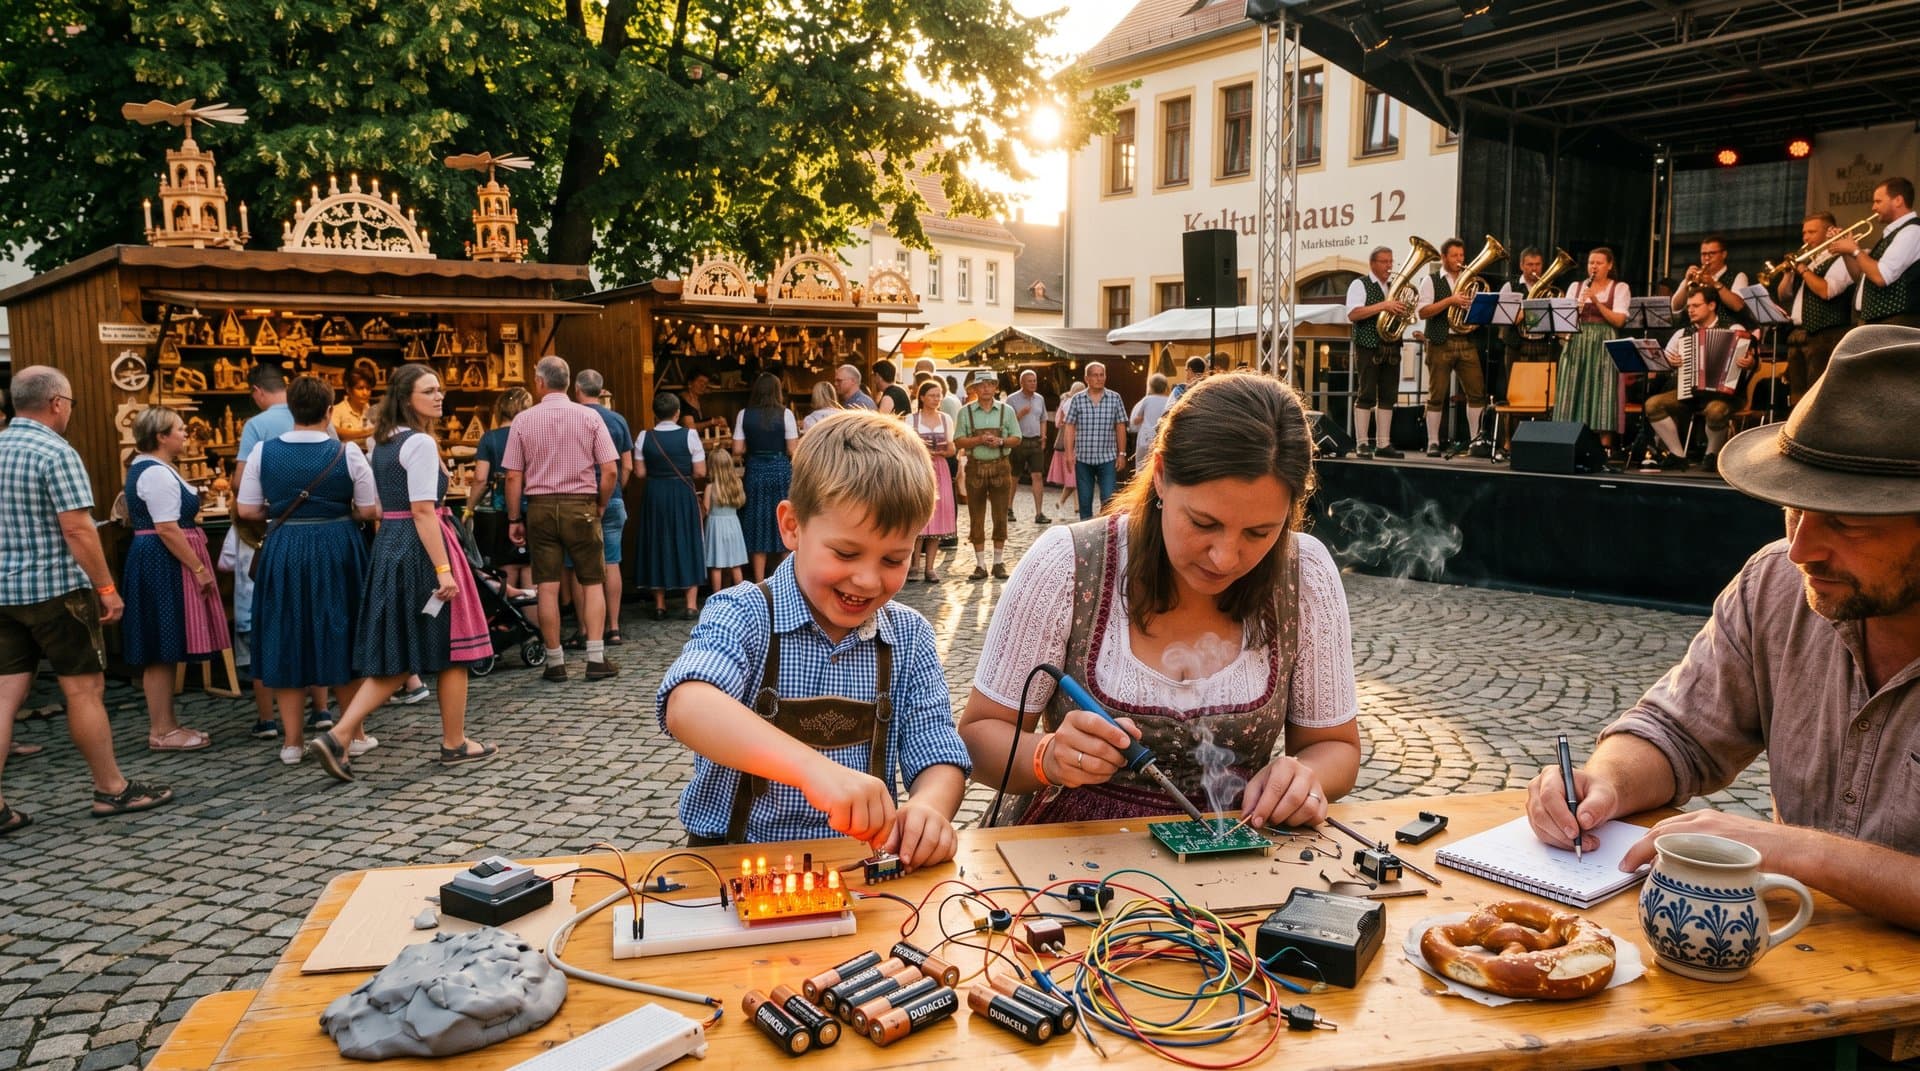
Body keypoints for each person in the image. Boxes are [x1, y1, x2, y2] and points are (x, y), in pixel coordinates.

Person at [1526, 325, 1920, 931]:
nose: (1800, 549)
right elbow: (1680, 731)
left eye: (1845, 522)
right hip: (1808, 979)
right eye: (1793, 508)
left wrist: (1808, 853)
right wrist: (1605, 780)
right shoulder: (1778, 586)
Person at [957, 373, 1362, 825]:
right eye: (1204, 523)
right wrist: (1047, 756)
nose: (1225, 558)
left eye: (1259, 532)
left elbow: (1336, 747)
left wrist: (1305, 775)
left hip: (1239, 851)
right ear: (1163, 476)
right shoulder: (1066, 564)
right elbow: (978, 736)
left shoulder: (1303, 574)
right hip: (1072, 859)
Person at [657, 411, 970, 860]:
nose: (866, 580)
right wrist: (811, 770)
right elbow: (687, 706)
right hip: (729, 863)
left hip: (857, 871)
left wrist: (927, 808)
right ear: (792, 526)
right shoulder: (744, 613)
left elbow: (939, 752)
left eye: (893, 560)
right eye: (846, 552)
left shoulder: (910, 637)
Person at [0, 367, 173, 829]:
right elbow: (76, 528)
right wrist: (106, 588)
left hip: (3, 591)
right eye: (71, 403)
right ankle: (111, 789)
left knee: (3, 695)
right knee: (83, 689)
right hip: (56, 590)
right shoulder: (56, 452)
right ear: (57, 402)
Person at [308, 364, 497, 779]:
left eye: (440, 389)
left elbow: (382, 508)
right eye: (429, 391)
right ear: (406, 398)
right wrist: (444, 569)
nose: (439, 396)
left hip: (392, 543)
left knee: (399, 654)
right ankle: (453, 742)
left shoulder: (382, 444)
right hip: (422, 546)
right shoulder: (420, 445)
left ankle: (339, 735)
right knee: (451, 649)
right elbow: (423, 511)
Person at [237, 376, 378, 764]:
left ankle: (292, 743)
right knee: (342, 633)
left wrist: (280, 511)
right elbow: (369, 510)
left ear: (290, 411)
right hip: (337, 547)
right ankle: (354, 734)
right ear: (329, 411)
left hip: (285, 548)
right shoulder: (347, 453)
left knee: (287, 635)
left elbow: (246, 510)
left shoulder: (263, 452)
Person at [503, 356, 619, 682]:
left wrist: (514, 518)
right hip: (580, 505)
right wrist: (599, 504)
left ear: (539, 382)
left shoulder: (523, 421)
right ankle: (596, 658)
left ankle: (554, 662)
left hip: (539, 508)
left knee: (548, 587)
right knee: (592, 580)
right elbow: (610, 470)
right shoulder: (590, 418)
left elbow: (513, 476)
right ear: (569, 382)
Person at [120, 405, 227, 752]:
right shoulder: (154, 473)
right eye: (179, 429)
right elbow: (166, 528)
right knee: (161, 646)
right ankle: (162, 731)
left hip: (160, 559)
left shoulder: (154, 468)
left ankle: (167, 725)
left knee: (165, 646)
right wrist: (198, 568)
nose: (185, 434)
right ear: (162, 436)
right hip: (162, 562)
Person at [1640, 287, 1753, 471]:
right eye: (1688, 306)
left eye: (1696, 305)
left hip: (1726, 395)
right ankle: (1678, 455)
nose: (1690, 310)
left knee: (1715, 410)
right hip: (1690, 393)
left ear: (1711, 305)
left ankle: (1712, 455)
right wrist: (1670, 362)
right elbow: (1663, 362)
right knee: (1653, 405)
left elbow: (1751, 362)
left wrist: (1749, 362)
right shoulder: (1682, 334)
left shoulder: (1734, 329)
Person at [1413, 237, 1491, 458]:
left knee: (1476, 392)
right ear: (1444, 257)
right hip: (1440, 341)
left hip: (1466, 340)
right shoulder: (1431, 281)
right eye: (1455, 256)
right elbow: (1423, 312)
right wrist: (1451, 301)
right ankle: (1433, 442)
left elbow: (1480, 312)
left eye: (1462, 256)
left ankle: (1475, 440)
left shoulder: (1471, 281)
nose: (1460, 260)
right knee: (1437, 394)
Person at [572, 370, 632, 646]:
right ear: (602, 390)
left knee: (579, 566)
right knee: (612, 562)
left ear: (577, 389)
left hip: (581, 498)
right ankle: (614, 627)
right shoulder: (617, 419)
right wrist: (617, 489)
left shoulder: (573, 417)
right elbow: (627, 465)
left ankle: (585, 628)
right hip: (614, 496)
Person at [636, 392, 707, 621]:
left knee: (656, 541)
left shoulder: (644, 437)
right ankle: (690, 604)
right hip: (681, 492)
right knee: (687, 540)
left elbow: (640, 473)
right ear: (677, 413)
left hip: (655, 493)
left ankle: (659, 605)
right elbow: (700, 472)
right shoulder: (690, 435)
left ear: (655, 414)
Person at [1554, 247, 1632, 454]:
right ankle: (1568, 440)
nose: (1594, 267)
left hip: (1604, 340)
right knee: (1572, 387)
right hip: (1578, 340)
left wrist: (1596, 302)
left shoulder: (1620, 288)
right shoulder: (1575, 287)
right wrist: (1575, 310)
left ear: (1610, 265)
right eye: (1591, 263)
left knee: (1603, 389)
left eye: (1598, 263)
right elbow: (1564, 319)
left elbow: (1619, 321)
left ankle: (1604, 445)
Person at [1775, 213, 1855, 405]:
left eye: (1812, 232)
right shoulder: (1810, 261)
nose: (1806, 238)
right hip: (1800, 335)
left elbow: (1826, 291)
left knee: (1818, 397)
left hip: (1826, 335)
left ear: (1829, 232)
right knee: (1797, 398)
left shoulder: (1839, 259)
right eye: (1804, 233)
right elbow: (1783, 295)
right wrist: (1788, 275)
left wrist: (1802, 269)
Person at [468, 388, 534, 601]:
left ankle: (511, 626)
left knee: (507, 568)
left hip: (502, 509)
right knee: (532, 568)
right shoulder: (532, 434)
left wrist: (469, 508)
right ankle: (536, 628)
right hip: (534, 506)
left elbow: (480, 478)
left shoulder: (490, 438)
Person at [1346, 245, 1410, 459]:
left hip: (1391, 345)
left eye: (1391, 261)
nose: (1389, 266)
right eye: (1384, 261)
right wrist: (1384, 306)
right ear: (1373, 263)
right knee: (1365, 394)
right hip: (1368, 346)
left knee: (1388, 395)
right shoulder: (1360, 284)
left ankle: (1383, 444)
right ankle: (1362, 443)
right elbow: (1354, 314)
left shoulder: (1394, 286)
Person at [956, 371, 1021, 580]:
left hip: (1001, 466)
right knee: (976, 515)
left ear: (996, 387)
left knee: (1000, 515)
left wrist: (1001, 441)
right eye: (981, 385)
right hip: (975, 467)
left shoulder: (1006, 410)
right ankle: (980, 564)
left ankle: (998, 562)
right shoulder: (965, 412)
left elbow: (1017, 438)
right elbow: (958, 440)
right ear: (974, 389)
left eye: (990, 384)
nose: (986, 388)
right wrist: (979, 440)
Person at [1831, 176, 1920, 328]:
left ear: (1898, 200)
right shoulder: (1895, 232)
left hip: (1895, 321)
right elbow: (1861, 276)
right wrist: (1846, 251)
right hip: (1877, 320)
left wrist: (1855, 250)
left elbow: (1881, 277)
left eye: (1878, 201)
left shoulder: (1912, 231)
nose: (1873, 207)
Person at [732, 373, 797, 582]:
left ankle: (759, 581)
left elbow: (737, 449)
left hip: (755, 470)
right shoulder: (785, 414)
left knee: (757, 524)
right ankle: (784, 579)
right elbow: (792, 449)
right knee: (783, 521)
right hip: (779, 469)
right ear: (777, 390)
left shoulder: (744, 414)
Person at [1062, 362, 1127, 520]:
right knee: (1084, 502)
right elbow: (1069, 427)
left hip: (1107, 458)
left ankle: (1107, 534)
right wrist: (1069, 453)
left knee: (1109, 500)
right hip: (1083, 459)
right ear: (1087, 378)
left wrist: (1122, 453)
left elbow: (1120, 426)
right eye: (1095, 375)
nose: (1099, 378)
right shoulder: (1077, 399)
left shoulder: (1114, 398)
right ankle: (1086, 536)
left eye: (1102, 375)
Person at [909, 379, 956, 582]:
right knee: (919, 514)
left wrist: (945, 450)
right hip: (919, 467)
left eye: (939, 395)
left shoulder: (946, 419)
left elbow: (953, 447)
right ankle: (914, 566)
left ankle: (930, 567)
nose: (936, 399)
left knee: (937, 516)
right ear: (922, 397)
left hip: (940, 467)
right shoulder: (911, 420)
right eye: (932, 395)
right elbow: (905, 445)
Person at [1499, 246, 1560, 390]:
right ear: (1521, 266)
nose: (1534, 268)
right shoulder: (1510, 286)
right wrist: (1525, 311)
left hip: (1544, 344)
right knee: (1517, 389)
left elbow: (1557, 319)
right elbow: (1503, 318)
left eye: (1538, 264)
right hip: (1517, 345)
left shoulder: (1550, 288)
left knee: (1542, 390)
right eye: (1530, 264)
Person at [1670, 233, 1751, 320]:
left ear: (1724, 254)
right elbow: (1675, 307)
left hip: (1725, 328)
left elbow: (1738, 306)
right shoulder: (1694, 276)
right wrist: (1686, 282)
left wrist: (1714, 283)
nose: (1707, 258)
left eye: (1712, 253)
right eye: (1703, 254)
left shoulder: (1739, 276)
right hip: (1694, 329)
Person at [1007, 370, 1051, 524]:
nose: (1033, 383)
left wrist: (1043, 436)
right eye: (1030, 381)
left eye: (1035, 380)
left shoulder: (1040, 399)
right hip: (1019, 441)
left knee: (1038, 476)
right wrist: (1019, 415)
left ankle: (1039, 513)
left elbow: (1043, 419)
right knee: (1014, 476)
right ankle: (1009, 508)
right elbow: (1007, 423)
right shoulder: (1012, 399)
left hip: (1036, 442)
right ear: (1022, 383)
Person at [704, 450, 748, 594]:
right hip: (733, 525)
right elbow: (741, 502)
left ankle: (716, 595)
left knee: (717, 565)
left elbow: (705, 508)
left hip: (716, 527)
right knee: (735, 564)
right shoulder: (737, 483)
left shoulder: (710, 487)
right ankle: (742, 594)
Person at [1046, 381, 1083, 513]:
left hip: (1067, 443)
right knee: (1075, 477)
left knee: (1074, 477)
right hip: (1072, 443)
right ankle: (1067, 503)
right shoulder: (1073, 403)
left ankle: (1075, 505)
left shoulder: (1065, 402)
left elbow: (1058, 423)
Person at [1129, 374, 1172, 470]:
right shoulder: (1169, 401)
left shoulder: (1147, 400)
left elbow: (1136, 420)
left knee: (1141, 467)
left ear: (1150, 387)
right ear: (1165, 387)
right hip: (1162, 439)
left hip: (1146, 439)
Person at [331, 368, 376, 449]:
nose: (365, 393)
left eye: (368, 388)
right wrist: (366, 433)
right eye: (360, 388)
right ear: (348, 389)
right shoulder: (337, 410)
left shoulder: (372, 411)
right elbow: (334, 431)